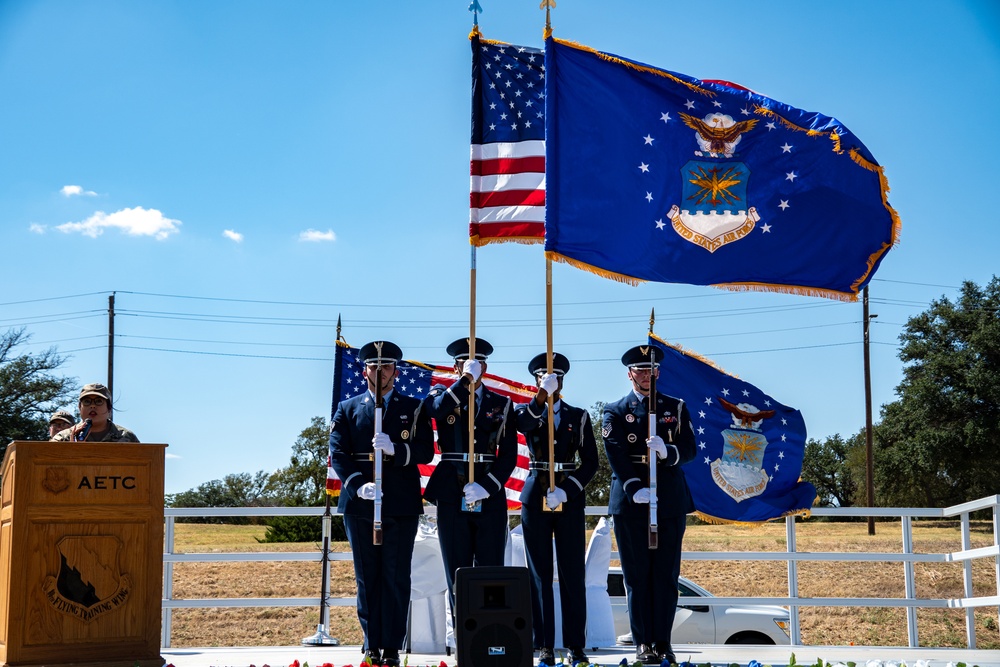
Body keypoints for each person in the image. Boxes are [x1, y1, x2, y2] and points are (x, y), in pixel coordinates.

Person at [328, 340, 434, 667]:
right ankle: (371, 644)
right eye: (374, 366)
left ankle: (392, 647)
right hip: (361, 505)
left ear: (395, 372)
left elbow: (426, 452)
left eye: (386, 366)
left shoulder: (414, 407)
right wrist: (358, 486)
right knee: (367, 577)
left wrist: (395, 451)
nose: (380, 371)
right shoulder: (347, 409)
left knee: (396, 576)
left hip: (400, 503)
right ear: (365, 371)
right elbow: (339, 454)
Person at [602, 345, 696, 665]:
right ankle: (643, 643)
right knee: (637, 576)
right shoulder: (615, 410)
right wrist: (633, 488)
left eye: (650, 369)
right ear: (629, 373)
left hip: (668, 498)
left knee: (665, 576)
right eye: (639, 370)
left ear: (657, 372)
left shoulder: (674, 407)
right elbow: (615, 453)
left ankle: (663, 641)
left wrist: (667, 451)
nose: (646, 375)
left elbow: (690, 448)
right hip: (632, 502)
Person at [424, 337, 518, 620]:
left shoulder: (501, 403)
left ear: (485, 367)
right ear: (456, 368)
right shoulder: (443, 394)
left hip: (489, 491)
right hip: (452, 490)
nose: (472, 368)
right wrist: (464, 381)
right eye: (464, 364)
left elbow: (509, 454)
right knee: (457, 567)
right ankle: (464, 634)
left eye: (476, 364)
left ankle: (489, 632)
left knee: (491, 567)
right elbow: (434, 410)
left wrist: (487, 486)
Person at [515, 352, 598, 667]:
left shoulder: (578, 416)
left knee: (572, 572)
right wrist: (540, 398)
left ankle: (576, 646)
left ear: (563, 381)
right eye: (544, 377)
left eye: (555, 378)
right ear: (537, 380)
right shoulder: (528, 411)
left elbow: (591, 461)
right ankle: (544, 645)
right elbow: (523, 425)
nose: (551, 382)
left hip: (568, 497)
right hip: (536, 492)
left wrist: (568, 489)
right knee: (539, 574)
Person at [51, 383, 139, 442]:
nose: (92, 406)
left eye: (99, 401)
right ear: (79, 407)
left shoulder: (127, 437)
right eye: (87, 401)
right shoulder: (63, 438)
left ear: (109, 408)